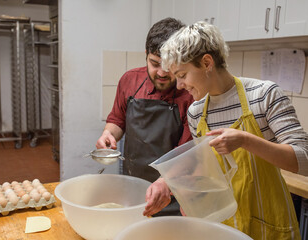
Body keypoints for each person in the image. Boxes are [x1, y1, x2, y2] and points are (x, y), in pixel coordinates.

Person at [144, 21, 308, 239]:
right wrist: (169, 184)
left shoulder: (264, 95)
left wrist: (245, 140)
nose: (179, 85)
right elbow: (206, 170)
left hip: (268, 223)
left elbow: (304, 160)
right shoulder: (196, 112)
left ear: (206, 62)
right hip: (223, 223)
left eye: (182, 75)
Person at [95, 18, 194, 216]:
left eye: (169, 65)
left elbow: (188, 153)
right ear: (146, 55)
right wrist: (109, 134)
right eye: (154, 64)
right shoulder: (130, 80)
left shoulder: (191, 92)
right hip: (134, 185)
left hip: (175, 192)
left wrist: (166, 182)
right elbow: (117, 119)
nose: (162, 73)